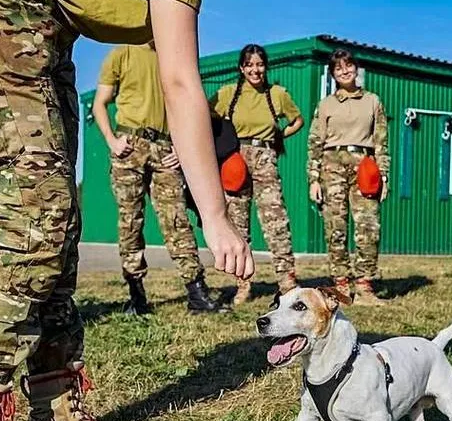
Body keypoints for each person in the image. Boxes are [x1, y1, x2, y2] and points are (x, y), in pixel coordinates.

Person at [0, 0, 341, 421]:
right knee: (38, 223)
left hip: (43, 26)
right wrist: (214, 215)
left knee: (59, 229)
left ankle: (57, 416)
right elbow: (181, 82)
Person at [93, 43, 227, 315]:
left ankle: (197, 294)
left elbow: (186, 106)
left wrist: (181, 147)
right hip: (130, 146)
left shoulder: (173, 55)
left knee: (177, 220)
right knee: (130, 221)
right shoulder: (122, 54)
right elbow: (99, 103)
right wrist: (111, 140)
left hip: (166, 150)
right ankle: (136, 295)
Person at [211, 44, 304, 305]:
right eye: (249, 64)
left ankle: (287, 283)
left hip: (265, 158)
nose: (255, 69)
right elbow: (205, 113)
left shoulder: (277, 94)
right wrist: (221, 137)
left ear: (266, 66)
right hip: (235, 161)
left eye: (260, 64)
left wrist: (279, 136)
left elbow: (297, 119)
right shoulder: (228, 93)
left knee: (276, 222)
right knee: (238, 225)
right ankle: (243, 285)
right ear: (241, 68)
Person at [307, 49, 389, 306]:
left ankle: (365, 287)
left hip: (365, 166)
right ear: (332, 74)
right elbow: (315, 143)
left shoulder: (373, 101)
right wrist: (313, 178)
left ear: (356, 69)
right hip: (332, 166)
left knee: (368, 227)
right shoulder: (326, 105)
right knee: (335, 229)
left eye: (349, 66)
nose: (344, 71)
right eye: (338, 68)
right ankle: (341, 285)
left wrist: (383, 175)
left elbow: (382, 142)